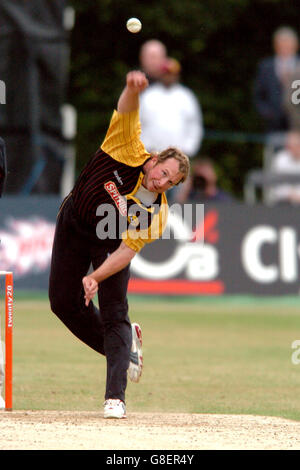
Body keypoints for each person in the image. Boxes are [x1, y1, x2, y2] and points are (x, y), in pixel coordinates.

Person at [48, 70, 190, 419]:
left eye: (170, 181)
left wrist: (96, 276)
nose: (162, 181)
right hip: (74, 223)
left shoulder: (156, 213)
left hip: (109, 244)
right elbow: (127, 109)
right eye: (163, 172)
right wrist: (130, 87)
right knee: (62, 304)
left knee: (114, 313)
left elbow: (127, 251)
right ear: (155, 159)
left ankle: (115, 397)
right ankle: (127, 350)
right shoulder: (126, 148)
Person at [139, 57, 203, 159]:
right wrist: (145, 148)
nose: (169, 77)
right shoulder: (148, 96)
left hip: (180, 157)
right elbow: (138, 123)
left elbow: (194, 125)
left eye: (172, 73)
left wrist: (189, 149)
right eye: (166, 73)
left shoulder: (187, 97)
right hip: (152, 155)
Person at [254, 27, 300, 135]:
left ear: (295, 45)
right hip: (273, 126)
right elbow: (258, 95)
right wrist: (267, 113)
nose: (284, 47)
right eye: (281, 44)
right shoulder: (266, 66)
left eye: (288, 44)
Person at [268, 131, 300, 205]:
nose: (296, 148)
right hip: (283, 201)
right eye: (291, 146)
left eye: (297, 145)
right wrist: (290, 195)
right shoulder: (280, 159)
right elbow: (277, 182)